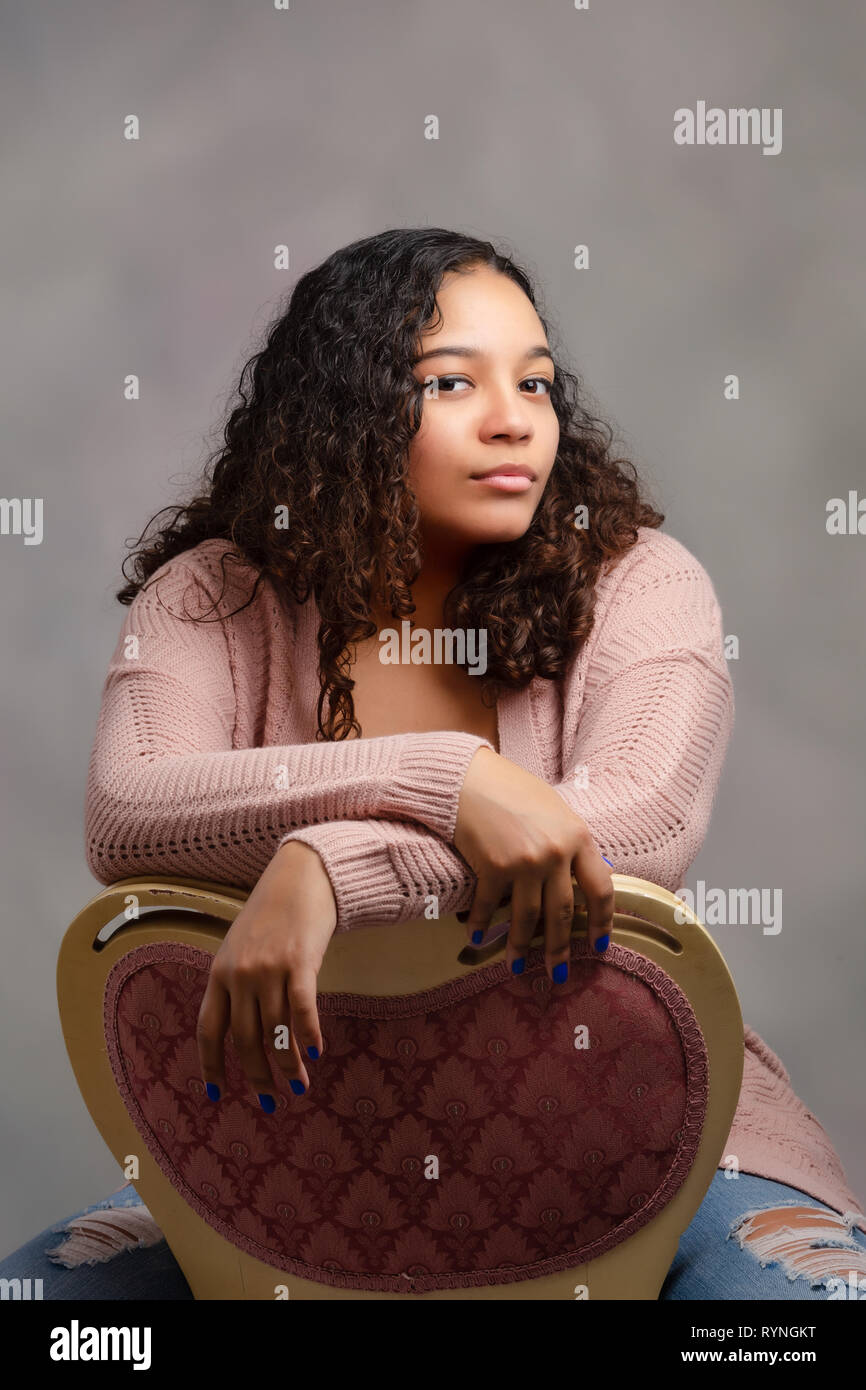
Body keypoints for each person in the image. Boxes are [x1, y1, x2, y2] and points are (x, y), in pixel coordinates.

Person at [4, 228, 863, 1299]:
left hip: (658, 1149)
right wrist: (449, 783)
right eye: (451, 381)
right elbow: (128, 809)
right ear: (345, 408)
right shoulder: (212, 596)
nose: (514, 418)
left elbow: (630, 828)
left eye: (537, 383)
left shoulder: (638, 583)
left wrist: (330, 864)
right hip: (294, 1167)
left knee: (790, 1326)